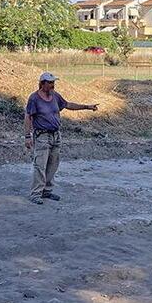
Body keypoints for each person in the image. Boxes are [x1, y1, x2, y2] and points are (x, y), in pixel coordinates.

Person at [24, 72, 98, 204]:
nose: (53, 85)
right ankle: (36, 194)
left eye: (53, 82)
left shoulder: (55, 96)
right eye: (50, 82)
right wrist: (27, 136)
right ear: (42, 83)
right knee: (40, 165)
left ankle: (47, 191)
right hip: (42, 136)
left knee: (53, 164)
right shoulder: (34, 98)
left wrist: (86, 106)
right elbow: (28, 116)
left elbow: (68, 105)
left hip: (56, 135)